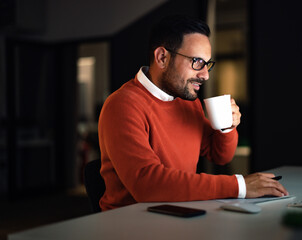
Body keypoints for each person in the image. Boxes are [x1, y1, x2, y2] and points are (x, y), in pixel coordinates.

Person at [98, 15, 288, 211]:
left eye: (207, 64)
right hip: (130, 222)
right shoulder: (122, 105)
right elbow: (146, 184)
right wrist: (239, 186)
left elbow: (219, 155)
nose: (205, 74)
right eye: (197, 62)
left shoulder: (187, 103)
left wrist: (227, 127)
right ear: (162, 58)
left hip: (178, 212)